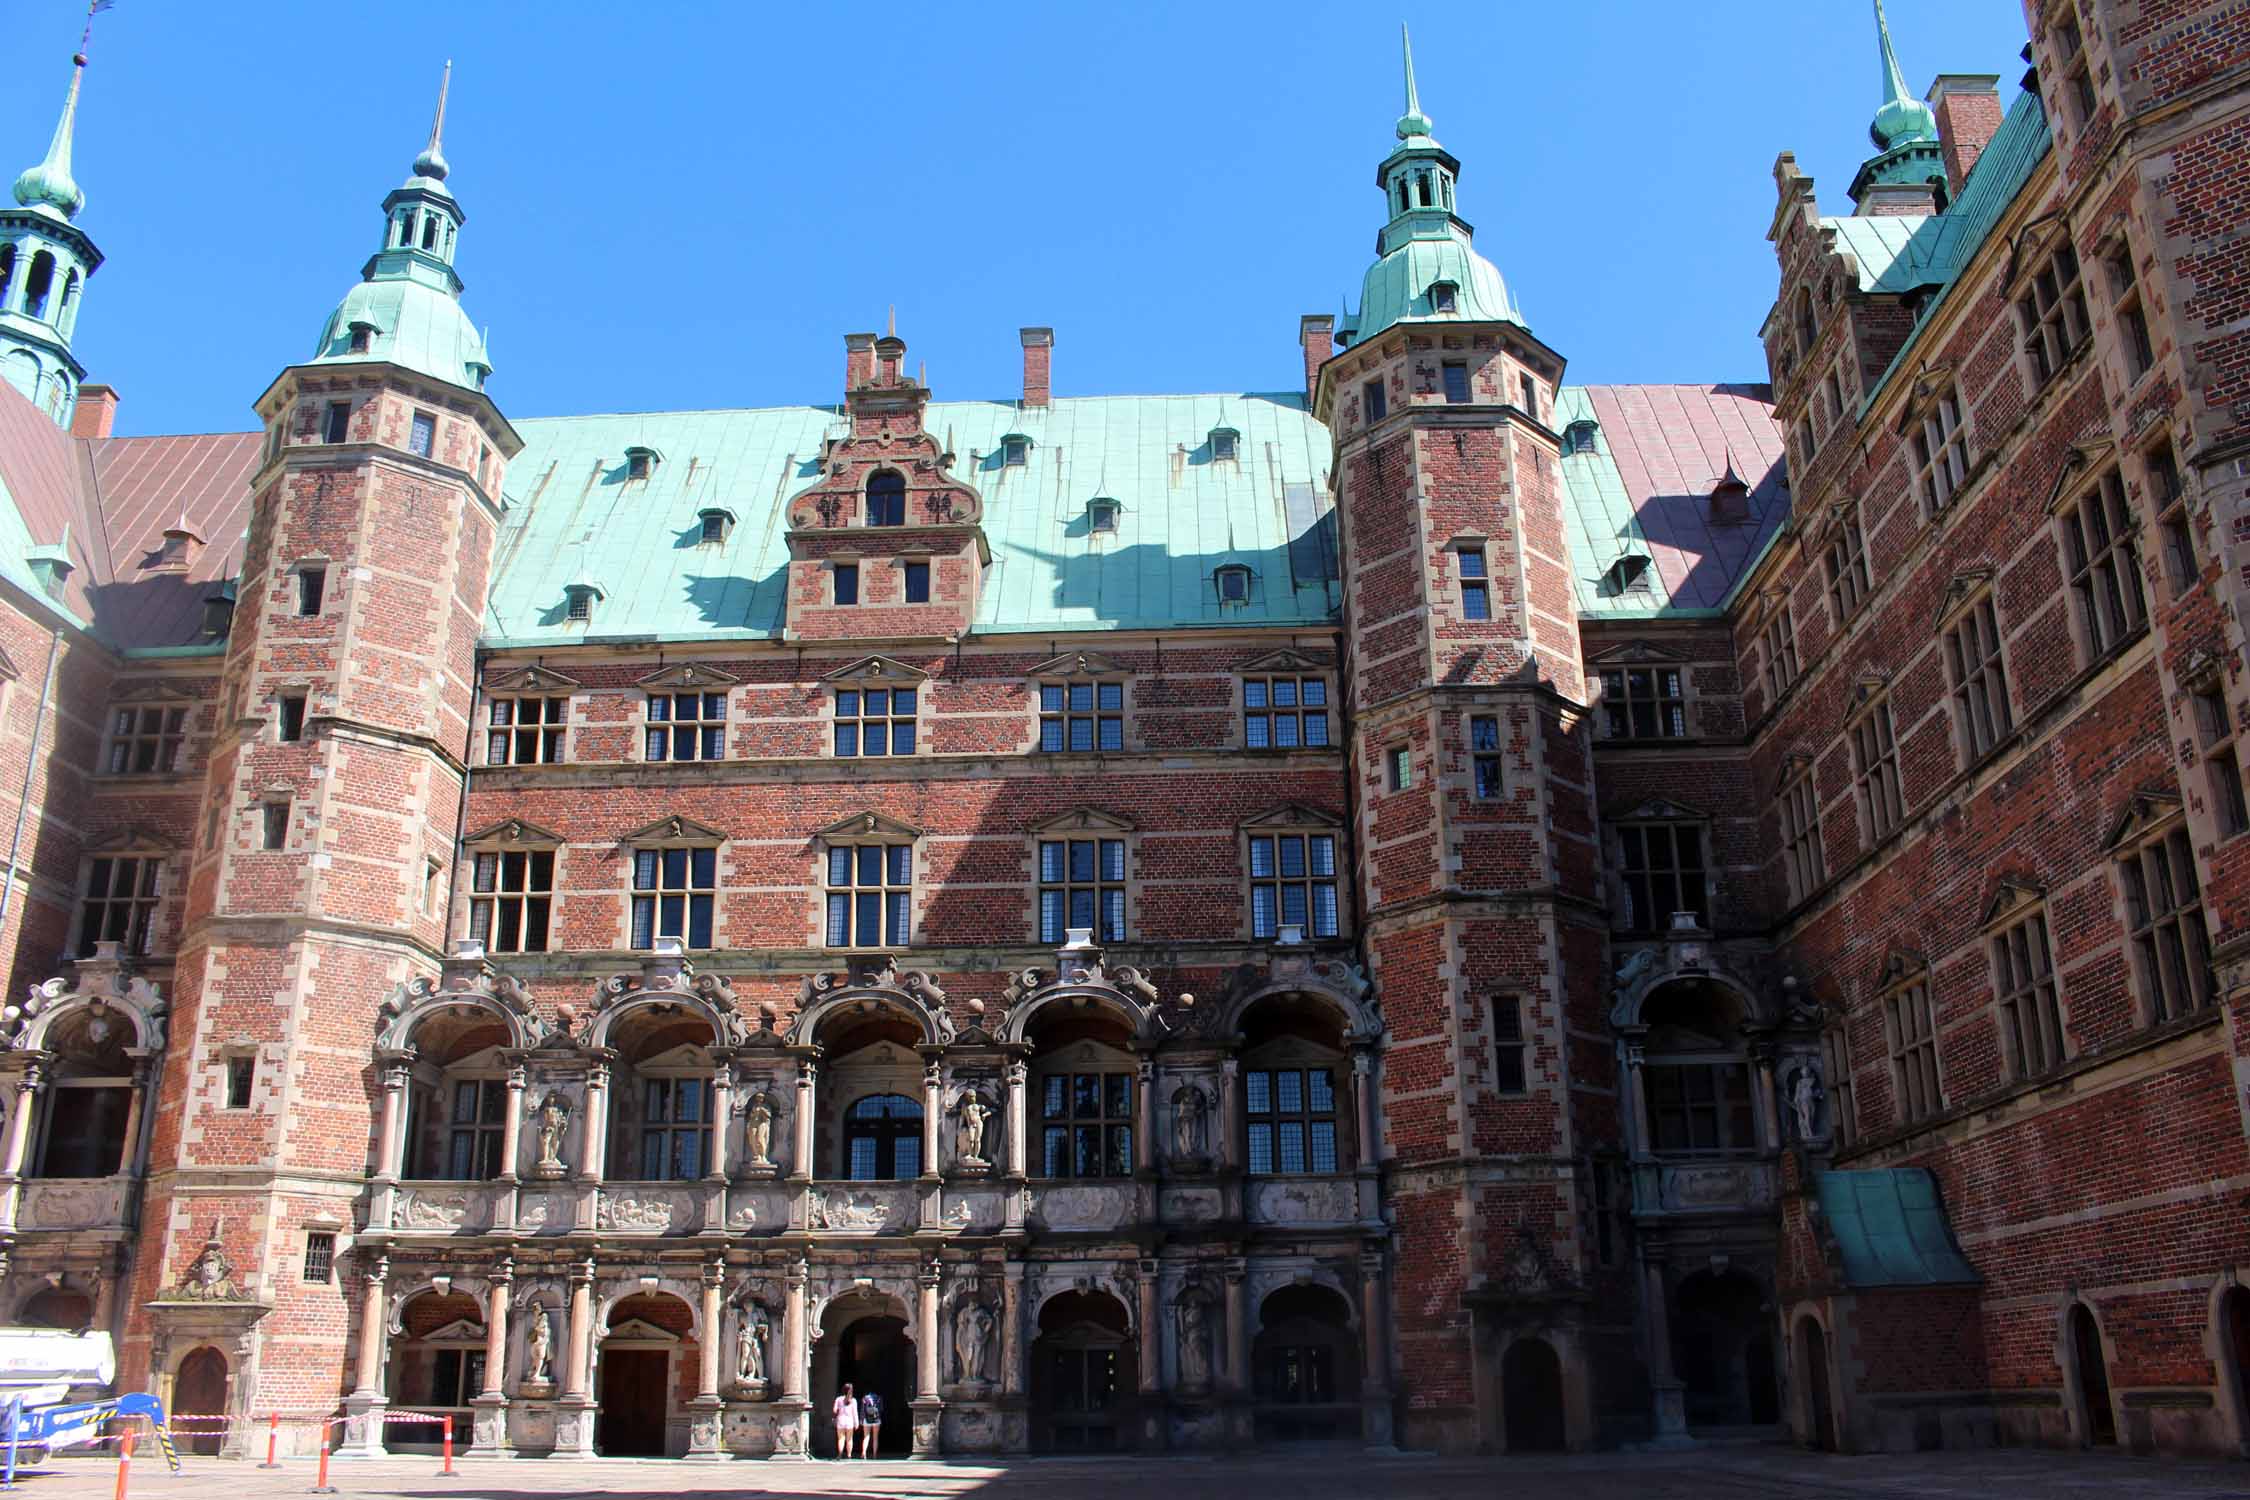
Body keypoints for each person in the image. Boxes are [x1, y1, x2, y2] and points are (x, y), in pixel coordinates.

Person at [832, 1381, 859, 1460]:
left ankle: (840, 1454)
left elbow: (834, 1410)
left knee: (841, 1439)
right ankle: (849, 1455)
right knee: (849, 1439)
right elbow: (855, 1413)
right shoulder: (853, 1400)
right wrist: (856, 1423)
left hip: (840, 1421)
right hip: (849, 1421)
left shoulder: (838, 1399)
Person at [858, 1387, 883, 1457]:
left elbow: (862, 1410)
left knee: (866, 1436)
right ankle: (875, 1454)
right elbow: (881, 1409)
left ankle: (864, 1452)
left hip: (866, 1418)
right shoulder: (879, 1398)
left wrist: (861, 1419)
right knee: (875, 1437)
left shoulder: (865, 1398)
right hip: (876, 1419)